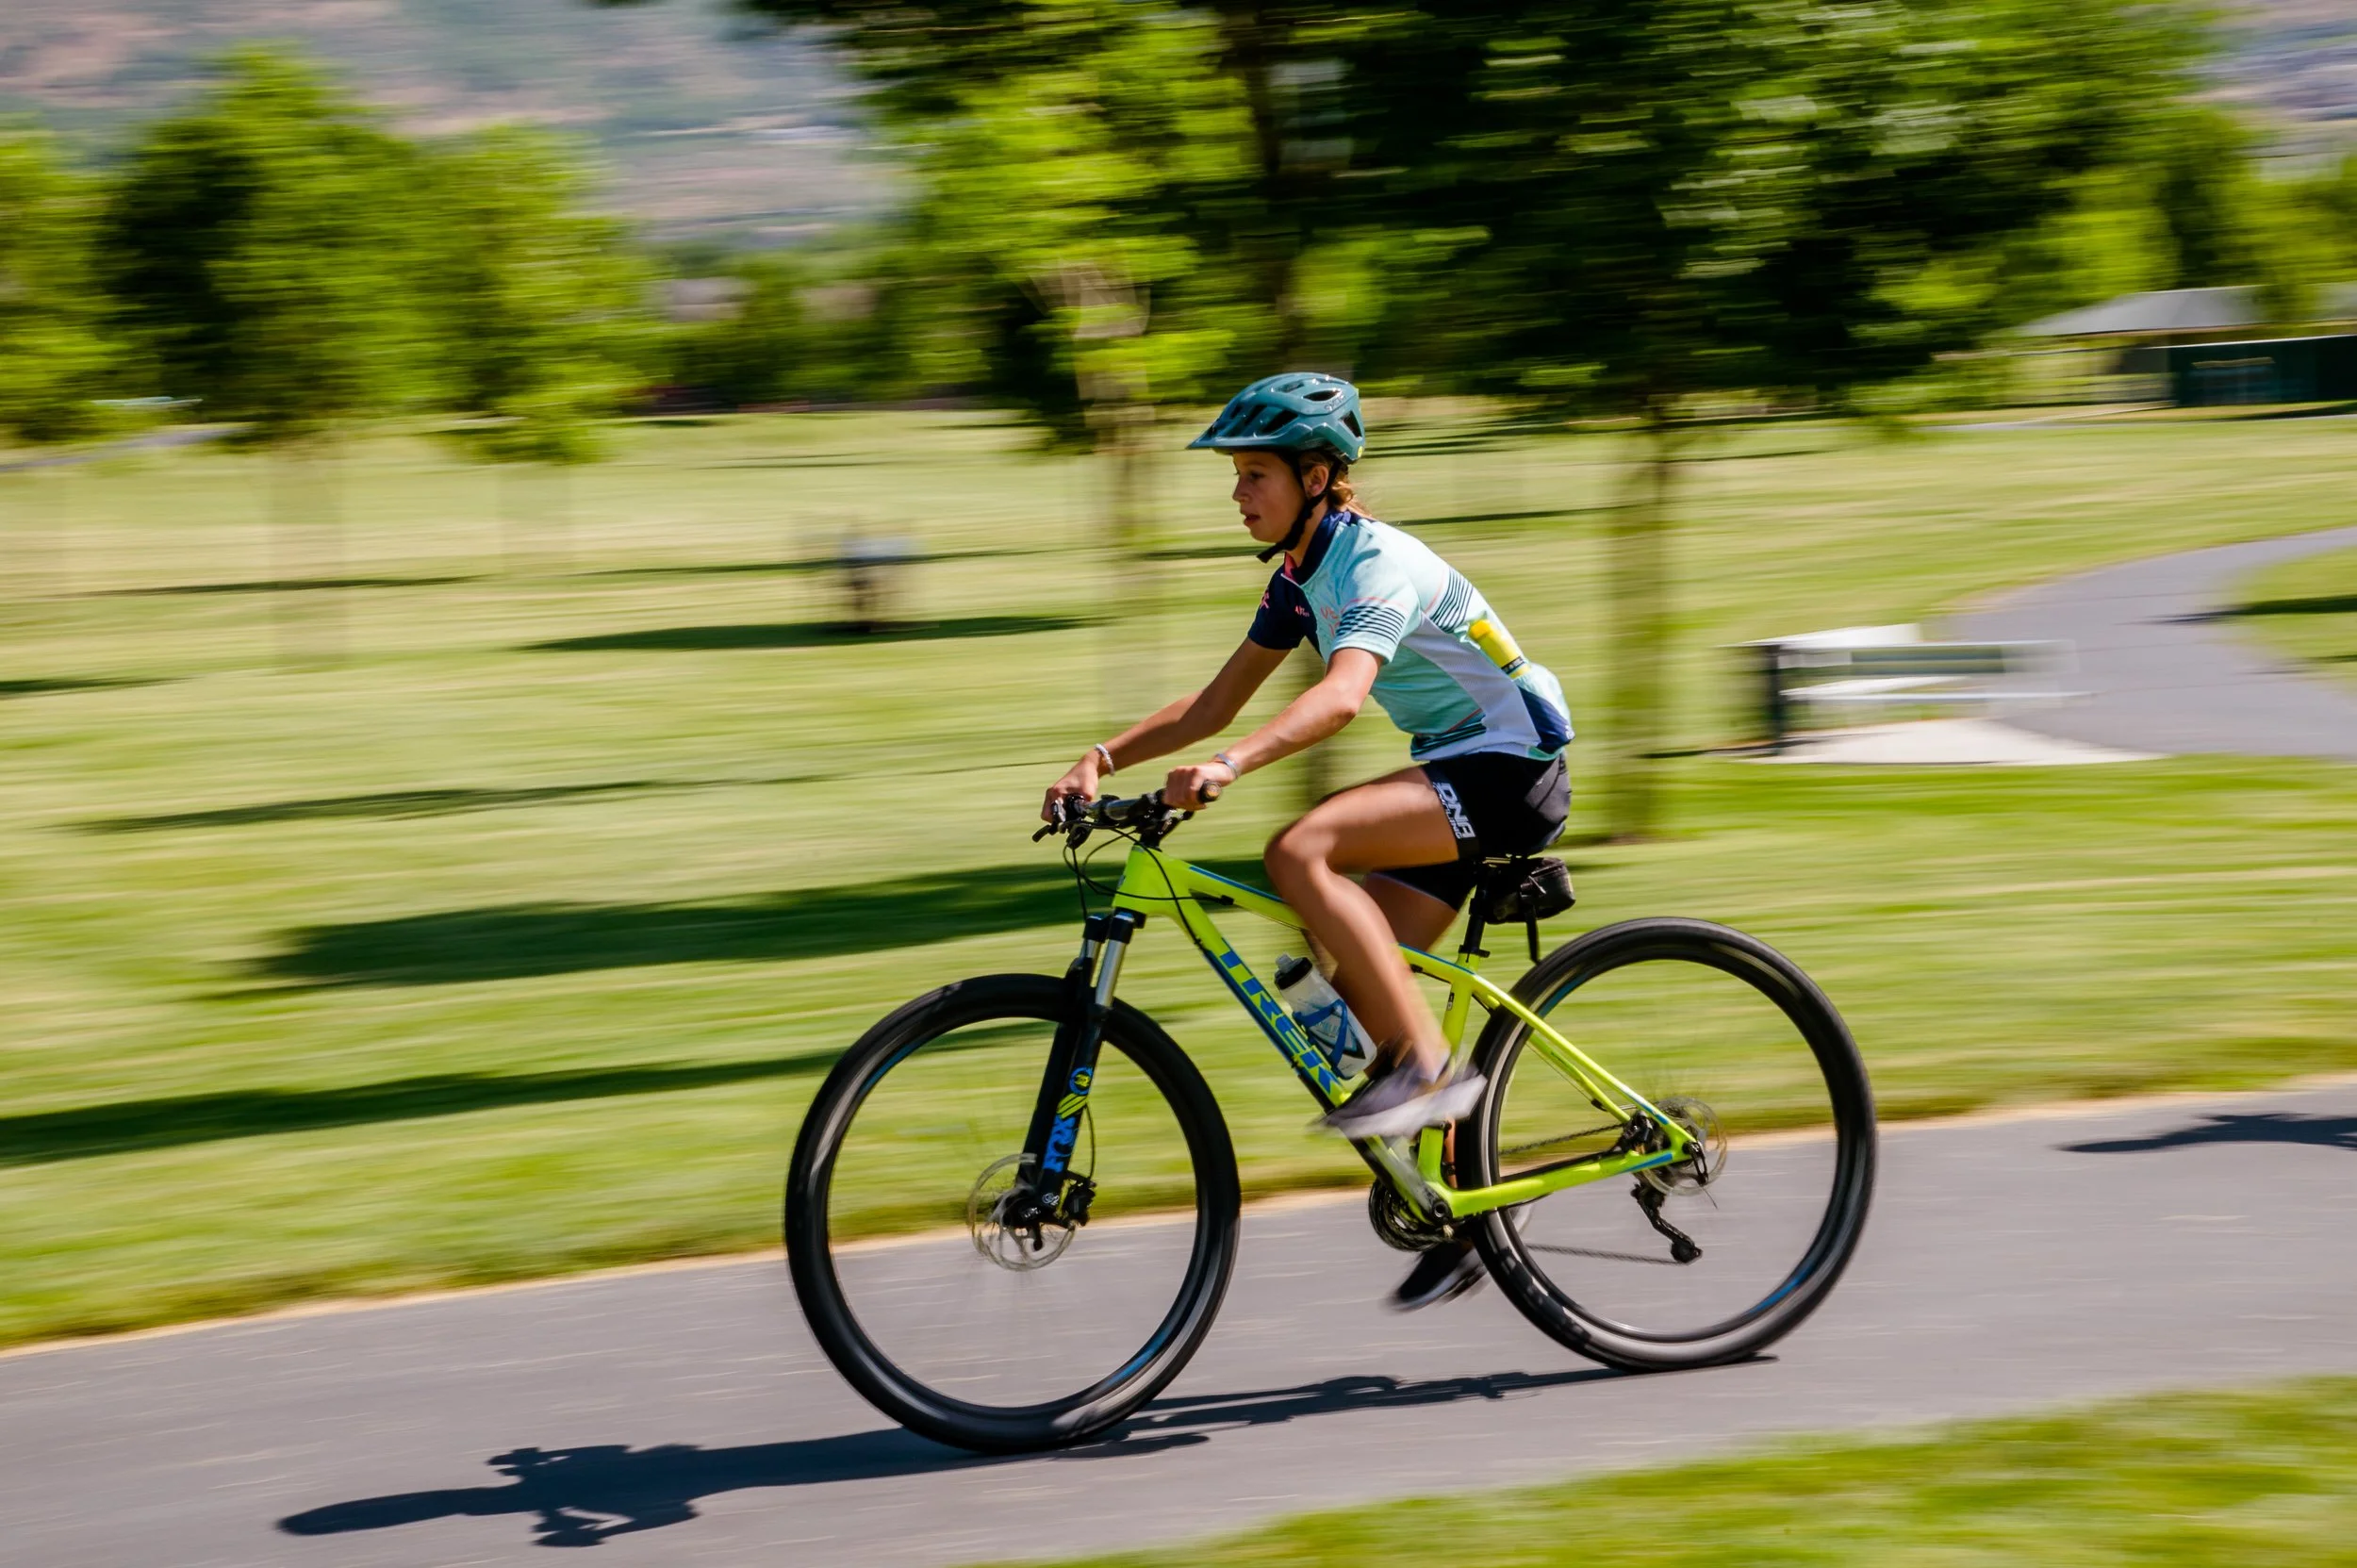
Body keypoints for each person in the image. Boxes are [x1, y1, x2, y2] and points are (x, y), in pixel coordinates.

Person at [1042, 371, 1573, 1310]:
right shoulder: (1299, 577)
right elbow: (1214, 702)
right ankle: (1466, 1206)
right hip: (1458, 766)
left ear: (1317, 476)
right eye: (1236, 476)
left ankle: (1428, 1072)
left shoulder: (1372, 562)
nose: (1238, 493)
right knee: (1350, 988)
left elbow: (1342, 697)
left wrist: (1230, 766)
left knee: (1298, 852)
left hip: (1511, 766)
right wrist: (1101, 756)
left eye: (1255, 474)